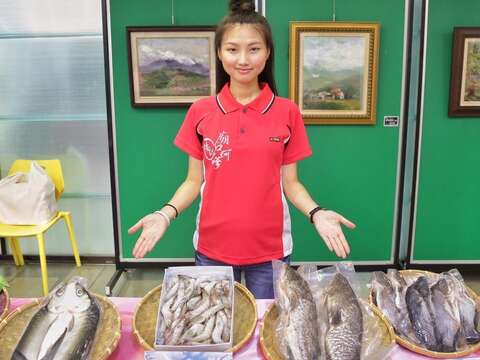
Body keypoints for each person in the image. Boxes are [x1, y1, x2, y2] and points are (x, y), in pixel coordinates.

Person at [129, 0, 356, 299]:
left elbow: (291, 183)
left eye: (254, 48)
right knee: (218, 331)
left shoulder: (287, 112)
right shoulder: (201, 111)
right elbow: (193, 181)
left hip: (270, 249)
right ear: (220, 53)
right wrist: (165, 214)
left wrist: (317, 213)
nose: (243, 59)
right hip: (212, 248)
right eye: (233, 49)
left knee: (266, 331)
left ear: (267, 52)